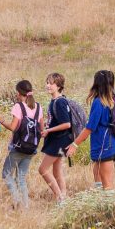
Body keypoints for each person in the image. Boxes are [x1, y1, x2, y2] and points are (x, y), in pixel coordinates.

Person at [72, 69, 115, 190]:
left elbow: (90, 127)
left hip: (105, 146)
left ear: (96, 84)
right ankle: (98, 201)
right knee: (99, 177)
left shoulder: (99, 102)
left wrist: (75, 144)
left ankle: (110, 207)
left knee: (107, 186)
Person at [0, 80, 43, 208]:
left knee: (6, 174)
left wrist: (2, 121)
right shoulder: (38, 107)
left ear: (19, 93)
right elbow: (42, 128)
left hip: (18, 147)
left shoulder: (19, 106)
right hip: (31, 149)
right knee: (21, 178)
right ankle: (25, 207)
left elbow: (13, 127)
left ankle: (17, 200)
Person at [37, 73, 75, 201]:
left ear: (59, 86)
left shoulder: (60, 102)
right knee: (57, 171)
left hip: (59, 140)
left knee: (42, 169)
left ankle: (60, 198)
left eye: (51, 83)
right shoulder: (55, 100)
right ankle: (63, 197)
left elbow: (66, 124)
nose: (48, 85)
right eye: (47, 82)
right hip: (60, 139)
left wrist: (49, 130)